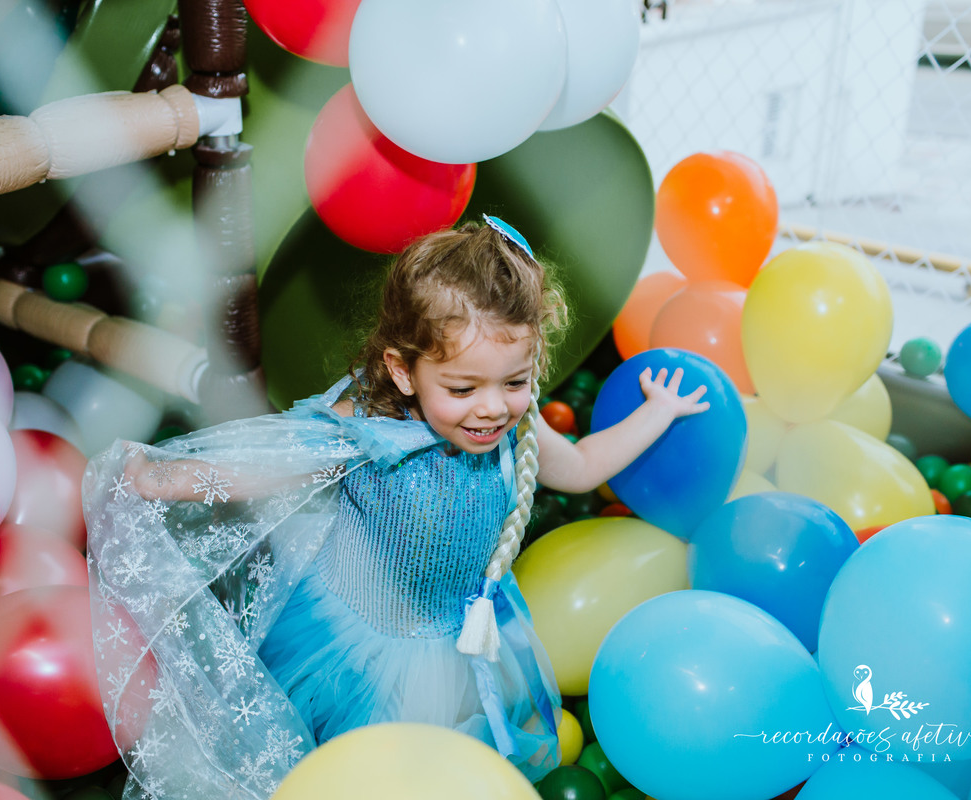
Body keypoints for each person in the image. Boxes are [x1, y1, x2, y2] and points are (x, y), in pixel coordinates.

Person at [82, 216, 709, 800]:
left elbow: (579, 468)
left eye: (514, 383)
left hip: (459, 640)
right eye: (463, 388)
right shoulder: (372, 430)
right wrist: (169, 482)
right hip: (359, 647)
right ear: (404, 372)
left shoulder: (514, 427)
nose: (491, 407)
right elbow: (271, 464)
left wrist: (657, 412)